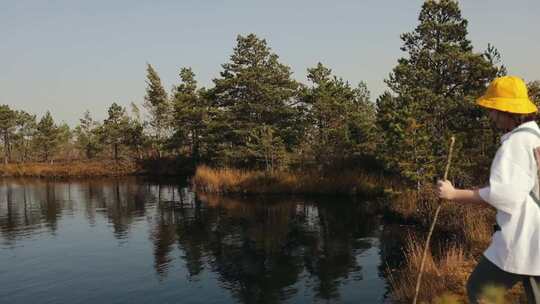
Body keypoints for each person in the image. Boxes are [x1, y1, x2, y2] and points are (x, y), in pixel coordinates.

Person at [437, 75, 540, 303]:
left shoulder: (515, 144)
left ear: (507, 111)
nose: (491, 115)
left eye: (493, 109)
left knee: (479, 289)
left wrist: (453, 194)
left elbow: (503, 195)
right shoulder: (534, 135)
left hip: (524, 237)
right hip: (534, 238)